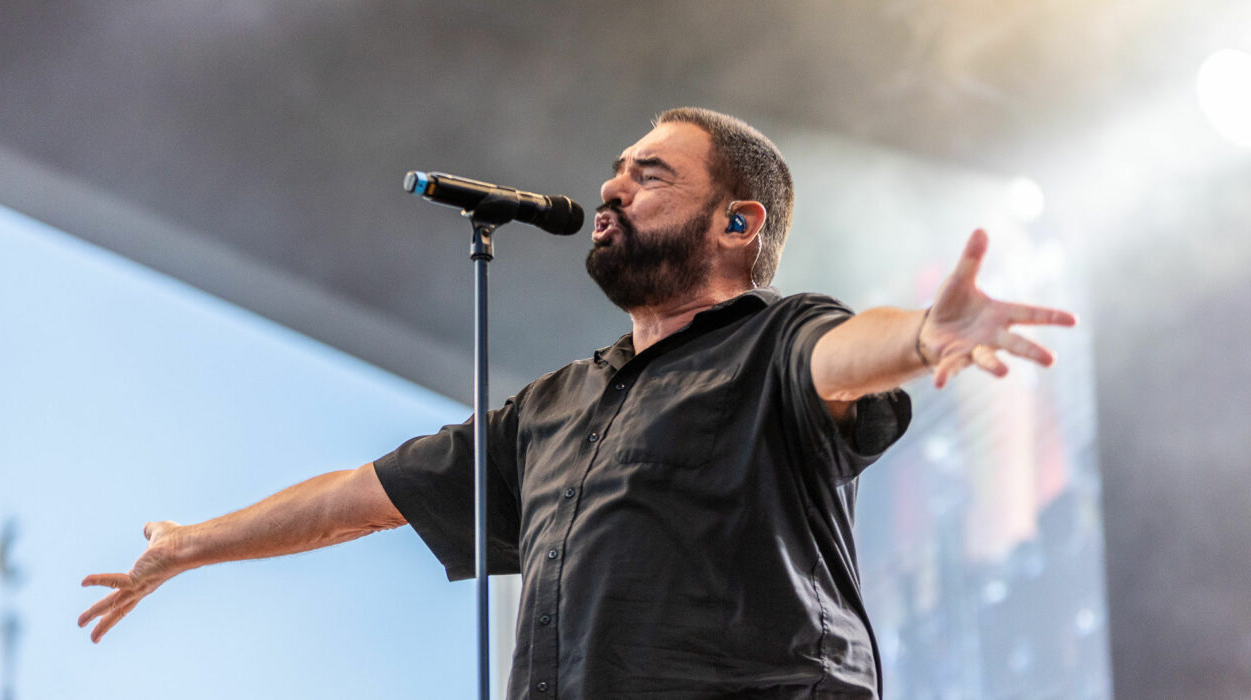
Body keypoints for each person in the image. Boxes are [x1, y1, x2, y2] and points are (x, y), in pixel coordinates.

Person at [79, 107, 1076, 698]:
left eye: (649, 174)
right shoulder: (553, 408)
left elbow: (844, 355)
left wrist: (922, 337)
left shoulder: (776, 339)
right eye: (614, 169)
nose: (610, 187)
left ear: (739, 221)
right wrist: (192, 543)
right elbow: (358, 495)